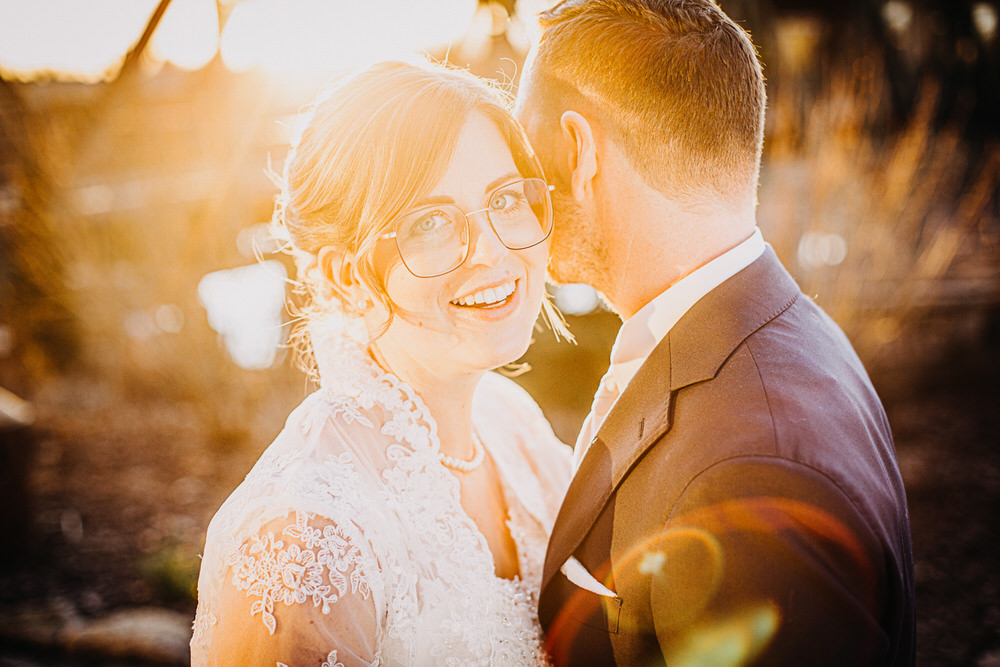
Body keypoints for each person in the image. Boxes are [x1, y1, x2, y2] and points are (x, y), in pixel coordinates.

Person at [514, 1, 916, 664]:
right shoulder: (781, 326)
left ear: (578, 149)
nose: (520, 187)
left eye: (527, 152)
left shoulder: (751, 474)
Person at [190, 59, 573, 666]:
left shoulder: (513, 425)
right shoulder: (310, 537)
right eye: (430, 223)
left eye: (505, 198)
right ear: (348, 278)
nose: (495, 251)